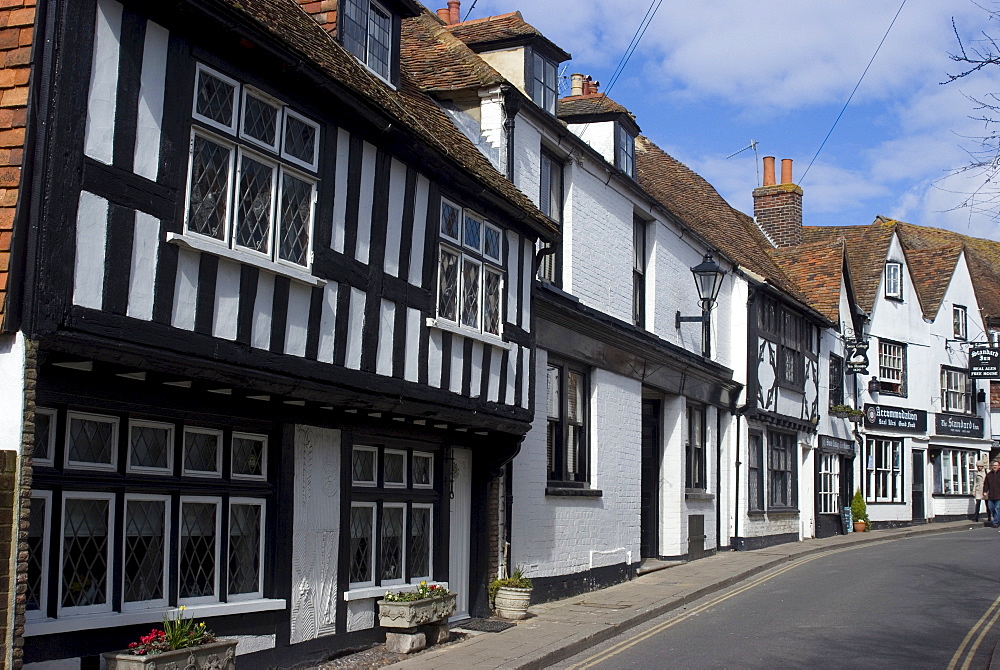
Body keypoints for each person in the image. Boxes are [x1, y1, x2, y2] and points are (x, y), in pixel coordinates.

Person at [983, 460, 1000, 529]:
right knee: (991, 508)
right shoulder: (989, 475)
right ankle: (997, 519)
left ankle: (995, 522)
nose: (994, 467)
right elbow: (986, 484)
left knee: (997, 508)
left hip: (999, 495)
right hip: (991, 495)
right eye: (993, 466)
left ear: (999, 466)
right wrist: (985, 491)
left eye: (996, 465)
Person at [975, 457, 989, 522]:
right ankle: (976, 517)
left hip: (985, 490)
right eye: (978, 466)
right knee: (978, 504)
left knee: (987, 504)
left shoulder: (986, 472)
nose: (979, 468)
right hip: (978, 490)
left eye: (980, 466)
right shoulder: (976, 473)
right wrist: (974, 490)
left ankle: (989, 516)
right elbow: (975, 482)